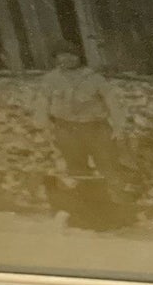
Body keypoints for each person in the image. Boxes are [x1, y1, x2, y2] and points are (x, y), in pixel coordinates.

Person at [36, 47, 127, 191]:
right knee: (76, 168)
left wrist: (118, 127)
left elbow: (112, 101)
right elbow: (42, 102)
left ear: (80, 57)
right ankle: (88, 202)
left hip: (97, 129)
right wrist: (44, 127)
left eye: (72, 55)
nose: (68, 59)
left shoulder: (94, 78)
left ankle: (117, 201)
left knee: (108, 164)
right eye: (63, 55)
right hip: (66, 130)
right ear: (56, 59)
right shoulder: (50, 79)